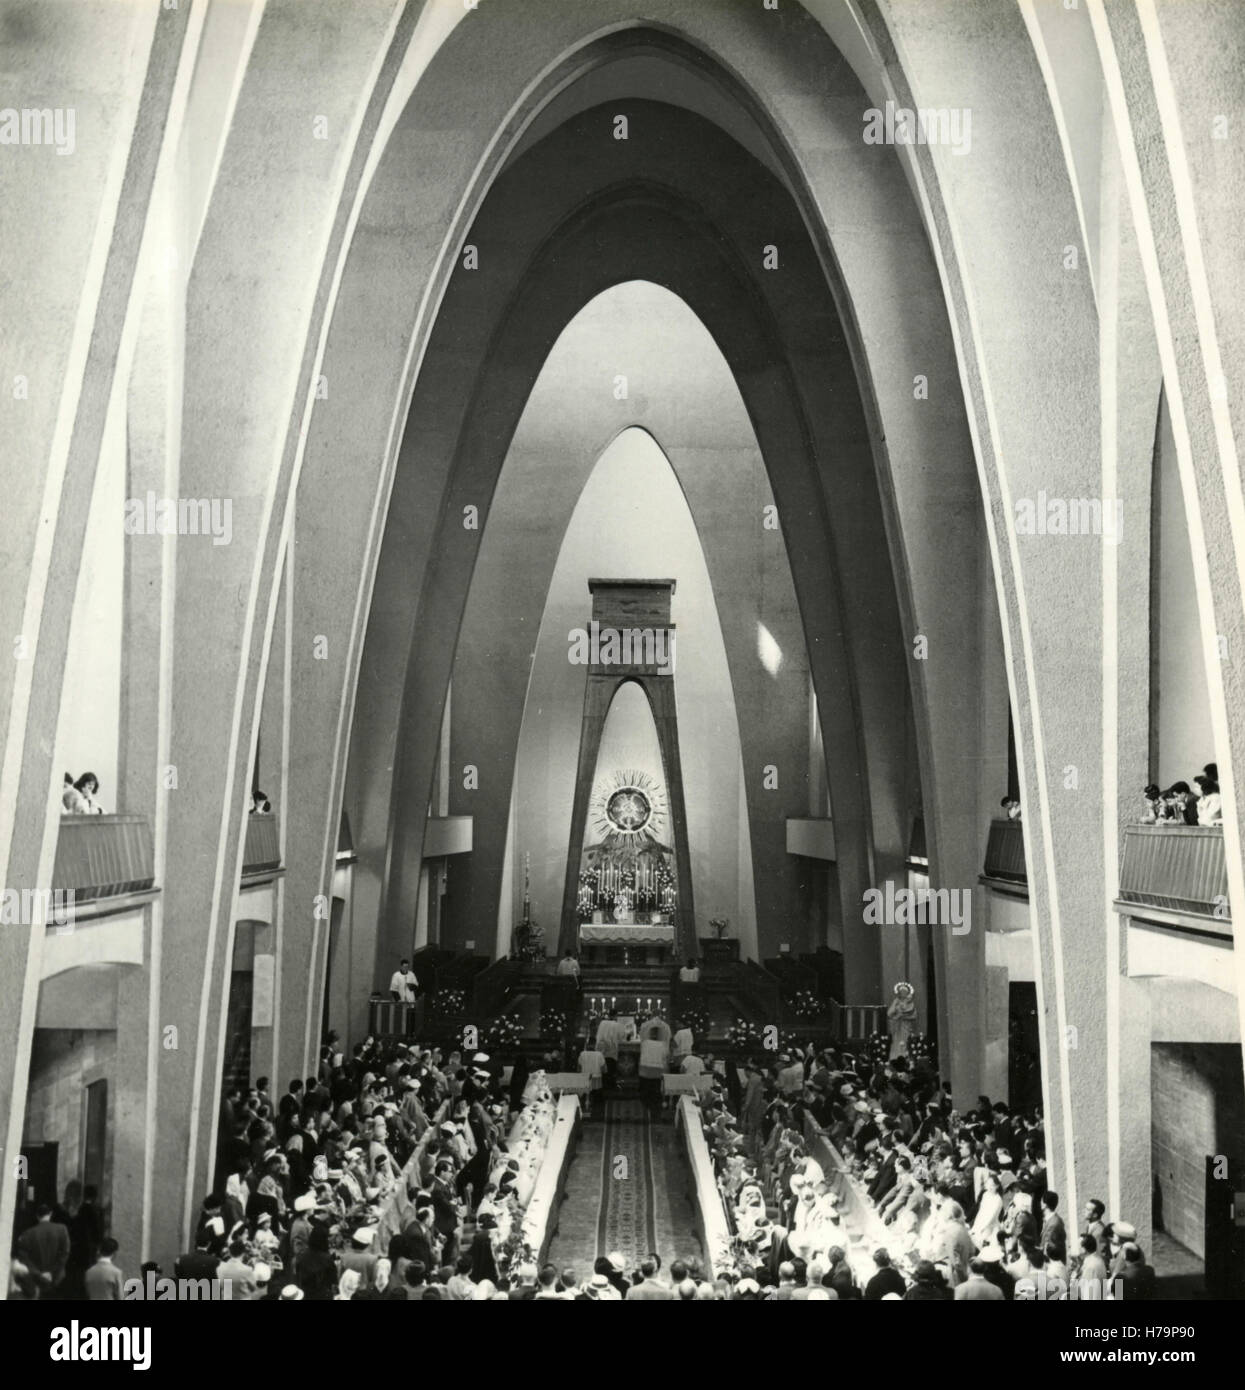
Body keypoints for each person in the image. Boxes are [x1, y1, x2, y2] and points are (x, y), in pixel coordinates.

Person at [16, 1204, 70, 1295]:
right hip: (57, 1279)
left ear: (37, 1216)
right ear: (50, 1214)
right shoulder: (62, 1229)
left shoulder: (28, 1234)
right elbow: (65, 1253)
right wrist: (52, 1272)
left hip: (37, 1281)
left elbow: (24, 1258)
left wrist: (39, 1274)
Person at [596, 1010, 624, 1089]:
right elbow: (622, 1037)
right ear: (615, 1016)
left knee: (603, 1068)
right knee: (611, 1069)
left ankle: (604, 1085)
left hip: (601, 1050)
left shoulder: (602, 1023)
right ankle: (611, 1085)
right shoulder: (617, 1025)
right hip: (611, 1050)